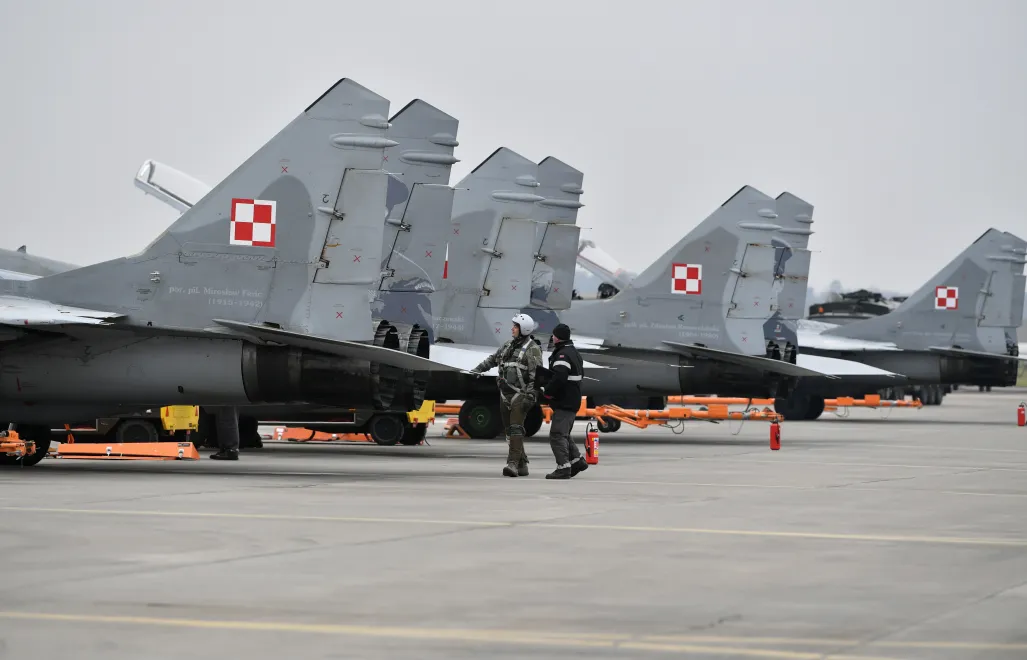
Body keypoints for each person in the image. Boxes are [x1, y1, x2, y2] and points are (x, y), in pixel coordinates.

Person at [470, 313, 543, 477]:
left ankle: (512, 464)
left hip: (521, 395)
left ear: (523, 329)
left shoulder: (533, 350)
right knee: (509, 431)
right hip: (505, 394)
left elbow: (536, 377)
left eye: (515, 326)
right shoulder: (507, 346)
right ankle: (522, 464)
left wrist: (530, 397)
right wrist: (477, 370)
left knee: (516, 428)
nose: (512, 328)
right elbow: (493, 359)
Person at [539, 323, 587, 479]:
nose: (552, 338)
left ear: (557, 337)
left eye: (553, 335)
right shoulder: (573, 353)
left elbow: (559, 377)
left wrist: (547, 392)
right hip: (572, 400)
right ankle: (577, 461)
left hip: (565, 402)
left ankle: (563, 468)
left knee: (557, 435)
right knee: (564, 434)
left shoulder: (562, 355)